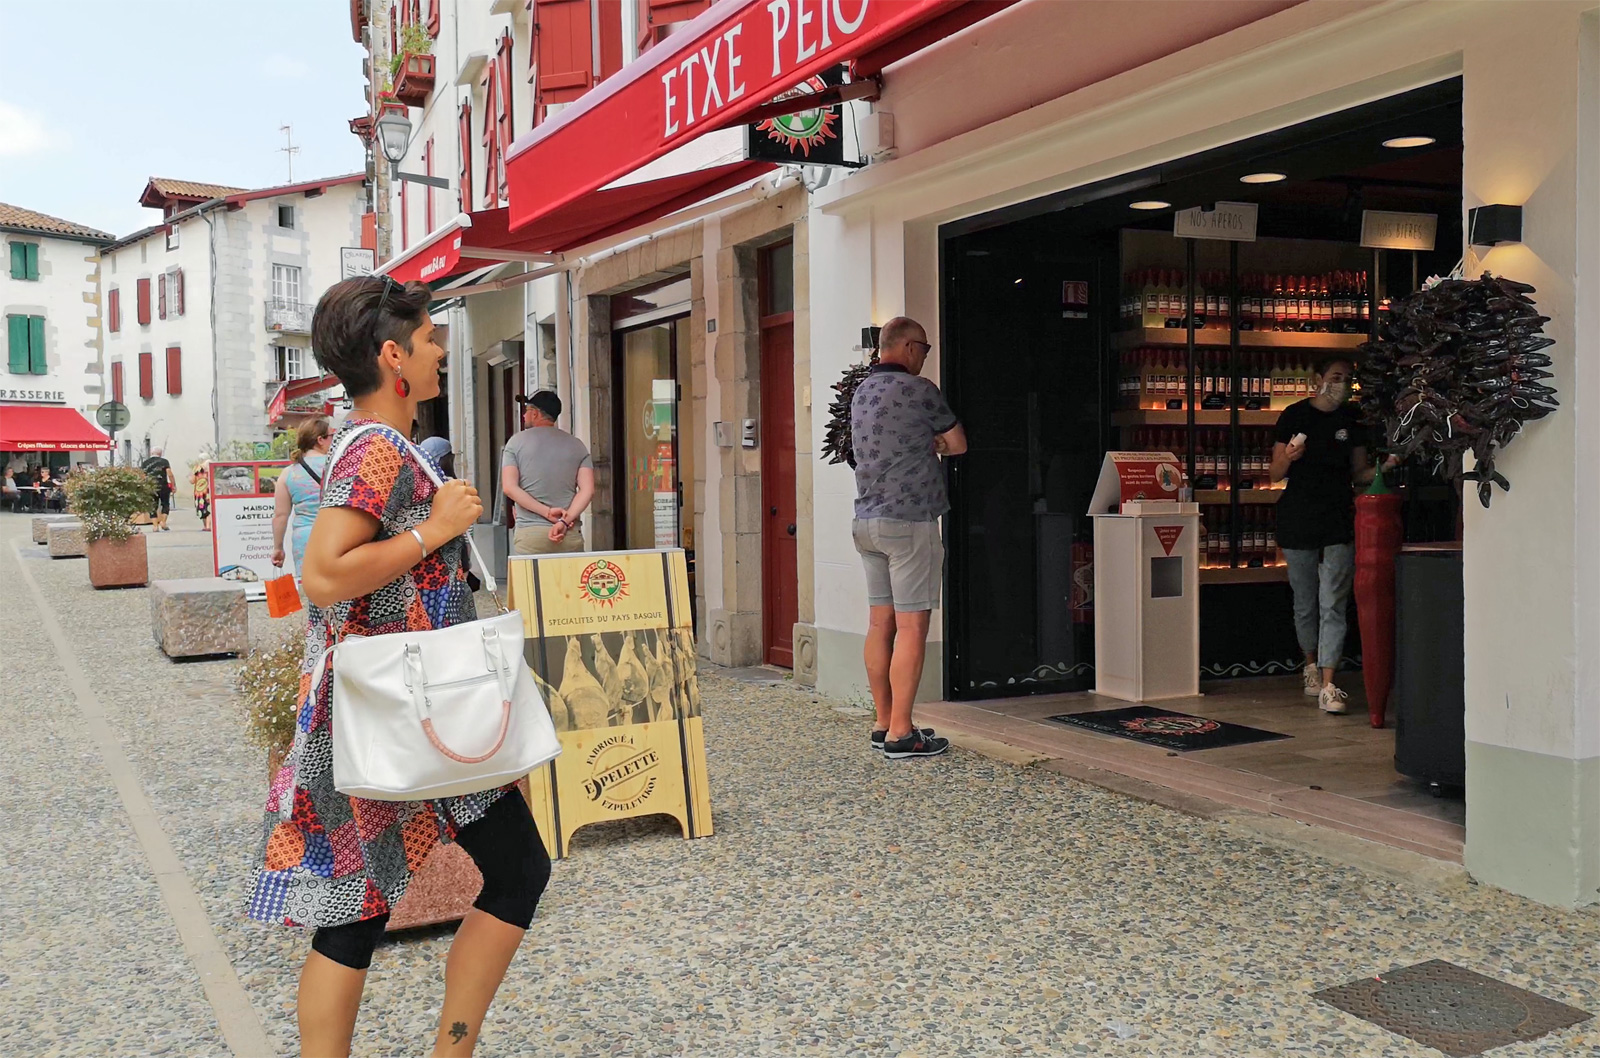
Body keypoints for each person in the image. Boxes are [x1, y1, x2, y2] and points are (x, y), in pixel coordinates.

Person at [247, 276, 550, 1058]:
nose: (440, 352)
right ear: (393, 355)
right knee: (486, 878)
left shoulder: (377, 443)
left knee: (370, 906)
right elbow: (324, 575)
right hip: (406, 704)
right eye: (429, 340)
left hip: (406, 703)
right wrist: (435, 529)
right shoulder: (376, 447)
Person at [850, 316, 967, 759]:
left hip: (867, 521)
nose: (925, 358)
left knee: (879, 624)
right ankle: (902, 733)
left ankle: (883, 721)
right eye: (924, 349)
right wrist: (932, 444)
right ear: (910, 347)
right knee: (913, 626)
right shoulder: (920, 390)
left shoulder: (862, 391)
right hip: (910, 521)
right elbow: (958, 444)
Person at [1270, 355, 1397, 715]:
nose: (1343, 384)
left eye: (1347, 378)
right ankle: (1310, 664)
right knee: (1305, 599)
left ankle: (1329, 683)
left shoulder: (1351, 418)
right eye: (1337, 376)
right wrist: (1290, 457)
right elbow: (1275, 472)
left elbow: (1358, 472)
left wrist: (1386, 466)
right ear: (1318, 379)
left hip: (1339, 516)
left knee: (1334, 600)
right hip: (1298, 516)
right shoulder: (1294, 415)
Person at [501, 390, 594, 555]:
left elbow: (509, 487)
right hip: (568, 533)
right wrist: (564, 521)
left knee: (531, 573)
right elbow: (587, 490)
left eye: (527, 410)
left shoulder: (515, 443)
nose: (524, 415)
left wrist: (546, 512)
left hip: (530, 534)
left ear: (535, 414)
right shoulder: (577, 446)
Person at [271, 418, 332, 579]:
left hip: (304, 539)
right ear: (320, 440)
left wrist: (278, 548)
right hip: (337, 535)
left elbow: (280, 516)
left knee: (311, 588)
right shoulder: (338, 467)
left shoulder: (288, 473)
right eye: (331, 436)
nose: (334, 440)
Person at [141, 447, 176, 531]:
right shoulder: (164, 461)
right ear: (160, 454)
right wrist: (173, 485)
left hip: (151, 486)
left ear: (151, 453)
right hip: (163, 485)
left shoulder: (145, 463)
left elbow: (142, 475)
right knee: (165, 504)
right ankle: (163, 522)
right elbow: (169, 474)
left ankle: (155, 526)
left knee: (152, 505)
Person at [192, 460, 212, 531]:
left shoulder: (197, 470)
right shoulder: (211, 470)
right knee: (207, 509)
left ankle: (207, 526)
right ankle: (207, 526)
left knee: (203, 509)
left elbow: (192, 481)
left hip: (200, 494)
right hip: (207, 493)